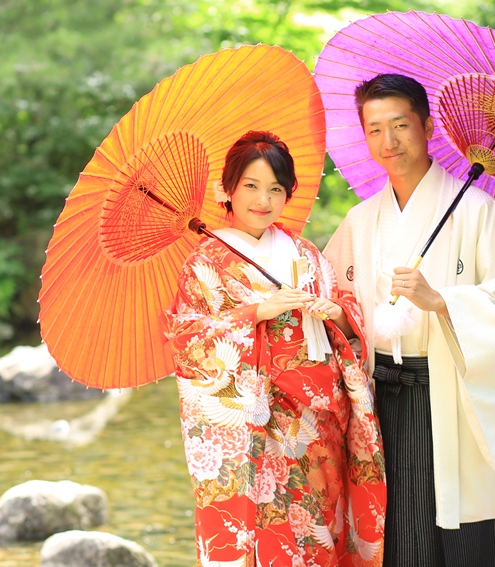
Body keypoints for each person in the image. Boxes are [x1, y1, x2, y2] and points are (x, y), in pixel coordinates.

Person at [324, 74, 495, 567]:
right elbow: (336, 302)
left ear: (428, 127)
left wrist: (441, 301)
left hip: (448, 394)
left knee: (455, 532)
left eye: (400, 125)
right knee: (394, 533)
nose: (388, 141)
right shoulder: (359, 221)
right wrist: (337, 317)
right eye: (375, 129)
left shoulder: (477, 212)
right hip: (378, 399)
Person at [163, 130, 386, 567]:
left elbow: (349, 316)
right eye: (251, 185)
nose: (263, 200)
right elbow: (187, 338)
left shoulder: (305, 252)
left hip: (320, 422)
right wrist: (258, 312)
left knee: (320, 534)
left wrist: (337, 314)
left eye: (276, 189)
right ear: (227, 189)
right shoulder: (204, 263)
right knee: (269, 538)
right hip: (256, 424)